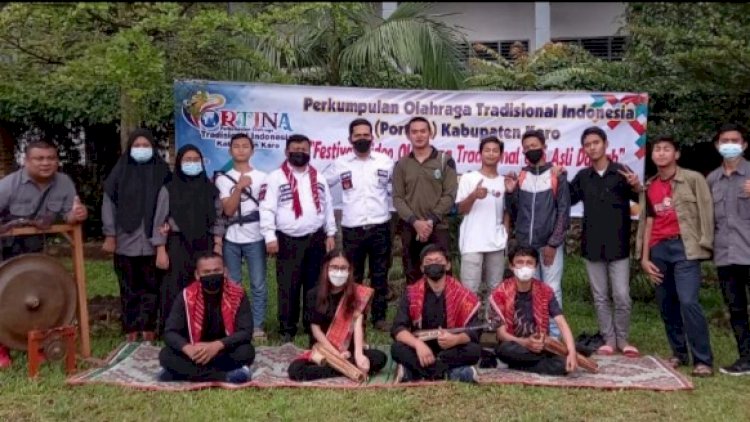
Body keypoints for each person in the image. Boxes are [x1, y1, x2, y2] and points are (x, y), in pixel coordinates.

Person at [0, 139, 88, 369]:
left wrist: (77, 214)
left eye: (51, 158)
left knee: (35, 295)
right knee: (4, 294)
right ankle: (2, 348)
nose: (46, 163)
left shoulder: (64, 183)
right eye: (39, 158)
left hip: (34, 247)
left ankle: (35, 345)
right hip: (5, 245)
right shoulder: (8, 185)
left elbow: (69, 215)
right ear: (26, 161)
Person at [637, 135, 715, 377]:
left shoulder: (693, 179)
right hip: (658, 249)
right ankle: (679, 353)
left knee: (688, 301)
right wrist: (644, 257)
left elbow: (706, 211)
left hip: (685, 247)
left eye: (666, 149)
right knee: (666, 303)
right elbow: (645, 223)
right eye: (657, 149)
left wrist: (706, 243)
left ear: (676, 154)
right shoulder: (649, 186)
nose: (661, 153)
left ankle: (703, 359)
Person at [569, 126, 641, 357]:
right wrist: (557, 178)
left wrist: (637, 186)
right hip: (592, 245)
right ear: (584, 149)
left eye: (596, 143)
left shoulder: (622, 172)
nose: (592, 147)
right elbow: (567, 199)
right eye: (587, 145)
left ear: (606, 144)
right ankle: (608, 339)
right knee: (600, 297)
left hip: (618, 245)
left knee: (621, 295)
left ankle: (623, 339)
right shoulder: (583, 177)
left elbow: (641, 199)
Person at [260, 134, 337, 343]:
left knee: (314, 284)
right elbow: (266, 208)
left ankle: (311, 324)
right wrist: (269, 236)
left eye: (304, 149)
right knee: (288, 285)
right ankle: (287, 328)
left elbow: (328, 206)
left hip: (316, 238)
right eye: (295, 149)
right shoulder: (275, 177)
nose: (299, 153)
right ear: (286, 152)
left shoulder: (318, 177)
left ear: (309, 152)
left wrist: (330, 232)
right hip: (288, 240)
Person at [323, 118, 394, 332]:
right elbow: (320, 184)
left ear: (372, 137)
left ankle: (379, 317)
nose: (362, 138)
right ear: (350, 139)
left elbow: (397, 189)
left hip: (380, 226)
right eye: (358, 135)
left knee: (380, 274)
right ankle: (355, 316)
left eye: (366, 135)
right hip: (352, 228)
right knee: (354, 275)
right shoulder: (340, 163)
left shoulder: (385, 161)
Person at [102, 128, 171, 343]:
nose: (141, 149)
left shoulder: (163, 172)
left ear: (153, 148)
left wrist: (166, 229)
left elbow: (172, 203)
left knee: (152, 285)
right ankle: (131, 327)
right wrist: (110, 234)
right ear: (129, 148)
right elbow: (109, 204)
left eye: (146, 146)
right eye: (137, 146)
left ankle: (149, 326)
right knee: (129, 285)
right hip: (125, 240)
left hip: (154, 241)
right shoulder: (119, 173)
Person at [505, 129, 571, 338]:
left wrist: (553, 243)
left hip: (549, 245)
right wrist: (510, 193)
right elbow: (514, 212)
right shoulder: (521, 176)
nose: (530, 150)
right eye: (526, 148)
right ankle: (533, 332)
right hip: (526, 246)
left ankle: (554, 336)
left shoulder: (557, 175)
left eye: (534, 146)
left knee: (552, 289)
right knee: (528, 289)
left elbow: (563, 211)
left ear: (544, 147)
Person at [152, 144, 224, 335]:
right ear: (179, 163)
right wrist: (160, 250)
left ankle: (204, 329)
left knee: (204, 286)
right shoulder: (168, 189)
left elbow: (218, 218)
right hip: (177, 244)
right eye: (187, 160)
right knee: (174, 288)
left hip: (205, 244)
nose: (192, 163)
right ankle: (173, 331)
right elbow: (159, 221)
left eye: (196, 160)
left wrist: (218, 244)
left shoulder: (210, 189)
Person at [287, 250, 388, 381]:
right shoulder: (313, 295)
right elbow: (316, 330)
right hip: (324, 349)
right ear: (326, 268)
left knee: (379, 357)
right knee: (296, 369)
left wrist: (359, 355)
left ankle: (342, 367)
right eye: (334, 267)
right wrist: (337, 355)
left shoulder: (357, 294)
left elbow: (357, 324)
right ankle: (346, 369)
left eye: (343, 268)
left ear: (349, 270)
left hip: (349, 350)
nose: (339, 272)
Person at [390, 244, 481, 383]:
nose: (433, 264)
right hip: (421, 347)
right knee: (397, 348)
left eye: (438, 261)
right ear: (422, 268)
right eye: (428, 262)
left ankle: (416, 373)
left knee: (474, 350)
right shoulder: (411, 294)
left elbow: (474, 330)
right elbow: (398, 329)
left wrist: (455, 339)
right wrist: (418, 345)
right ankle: (451, 373)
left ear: (448, 265)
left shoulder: (462, 294)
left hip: (450, 348)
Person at [158, 253, 254, 383]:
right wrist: (188, 349)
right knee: (166, 355)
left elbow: (245, 332)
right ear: (197, 275)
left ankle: (180, 373)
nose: (212, 275)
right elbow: (170, 332)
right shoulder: (186, 296)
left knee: (246, 351)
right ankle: (225, 377)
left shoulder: (238, 295)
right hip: (194, 351)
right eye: (206, 272)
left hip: (223, 349)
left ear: (225, 271)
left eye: (216, 270)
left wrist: (217, 345)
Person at [489, 246, 578, 376]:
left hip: (540, 344)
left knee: (562, 362)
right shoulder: (500, 293)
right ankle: (545, 362)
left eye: (529, 263)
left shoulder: (545, 291)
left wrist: (572, 352)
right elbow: (501, 334)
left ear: (535, 266)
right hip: (515, 344)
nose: (524, 267)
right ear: (511, 266)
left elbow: (561, 323)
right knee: (504, 349)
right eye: (520, 262)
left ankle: (519, 365)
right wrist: (525, 343)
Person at [215, 134, 269, 341]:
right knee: (233, 284)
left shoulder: (263, 177)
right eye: (236, 146)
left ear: (252, 151)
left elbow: (267, 208)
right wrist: (239, 187)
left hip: (256, 235)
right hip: (232, 237)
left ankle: (257, 325)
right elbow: (228, 210)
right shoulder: (223, 178)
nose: (240, 150)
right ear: (230, 151)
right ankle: (235, 323)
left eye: (245, 146)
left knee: (258, 283)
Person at [706, 123, 750, 375]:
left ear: (744, 145)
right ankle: (746, 358)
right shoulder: (712, 179)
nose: (730, 145)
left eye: (735, 140)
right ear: (717, 145)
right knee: (737, 310)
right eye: (725, 141)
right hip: (725, 255)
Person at [393, 116, 458, 284]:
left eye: (423, 131)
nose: (419, 135)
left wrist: (430, 221)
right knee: (412, 276)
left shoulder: (444, 160)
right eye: (414, 132)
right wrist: (415, 222)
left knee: (442, 275)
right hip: (410, 228)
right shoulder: (401, 164)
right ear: (408, 135)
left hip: (438, 227)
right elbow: (398, 198)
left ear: (430, 133)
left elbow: (450, 195)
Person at [455, 135, 512, 321]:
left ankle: (491, 324)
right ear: (480, 154)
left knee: (495, 289)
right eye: (487, 150)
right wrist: (474, 196)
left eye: (495, 150)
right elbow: (460, 210)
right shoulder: (469, 178)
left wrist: (505, 233)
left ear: (501, 155)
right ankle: (468, 326)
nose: (491, 154)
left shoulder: (504, 181)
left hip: (496, 242)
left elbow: (507, 211)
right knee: (469, 288)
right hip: (472, 241)